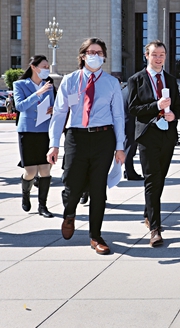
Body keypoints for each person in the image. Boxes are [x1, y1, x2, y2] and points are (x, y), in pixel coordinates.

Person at [47, 38, 125, 255]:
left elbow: (118, 115)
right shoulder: (70, 81)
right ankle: (69, 213)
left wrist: (120, 146)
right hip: (76, 137)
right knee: (72, 183)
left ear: (104, 56)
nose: (95, 56)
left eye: (99, 52)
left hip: (103, 138)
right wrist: (54, 145)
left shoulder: (111, 83)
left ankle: (96, 235)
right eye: (91, 52)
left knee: (98, 189)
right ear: (82, 55)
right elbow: (60, 112)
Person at [128, 40, 180, 247]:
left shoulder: (170, 79)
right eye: (154, 54)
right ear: (146, 56)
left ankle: (148, 213)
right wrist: (155, 105)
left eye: (162, 54)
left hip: (167, 135)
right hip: (148, 136)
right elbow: (133, 108)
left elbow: (178, 106)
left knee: (160, 179)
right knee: (152, 180)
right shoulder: (137, 80)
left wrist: (174, 115)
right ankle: (155, 229)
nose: (158, 58)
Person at [14, 55, 55, 217]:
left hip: (44, 130)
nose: (47, 70)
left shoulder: (49, 86)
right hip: (27, 131)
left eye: (48, 67)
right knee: (30, 171)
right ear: (34, 67)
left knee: (45, 169)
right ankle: (26, 192)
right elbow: (20, 106)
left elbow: (52, 105)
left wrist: (52, 110)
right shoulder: (20, 85)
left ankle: (42, 206)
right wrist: (38, 93)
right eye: (44, 66)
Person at [121, 83, 142, 181]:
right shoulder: (131, 92)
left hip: (125, 122)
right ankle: (130, 172)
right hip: (131, 123)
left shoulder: (124, 91)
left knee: (128, 147)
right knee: (130, 149)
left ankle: (127, 171)